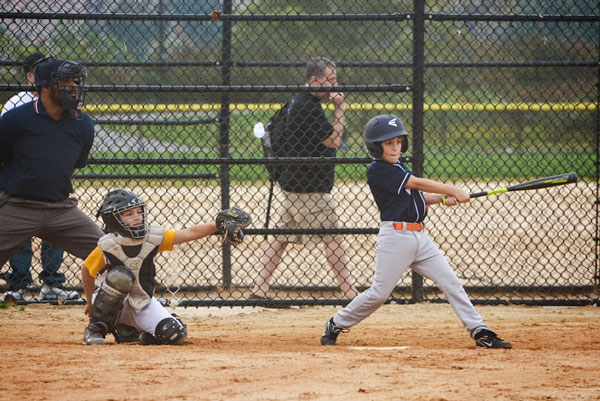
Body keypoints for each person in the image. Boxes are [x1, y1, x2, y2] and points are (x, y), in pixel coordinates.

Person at [320, 114, 512, 349]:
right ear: (376, 146)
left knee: (450, 281)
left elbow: (418, 196)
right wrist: (454, 189)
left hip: (420, 238)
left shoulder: (398, 166)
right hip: (396, 239)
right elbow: (417, 184)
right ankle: (336, 323)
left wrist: (443, 198)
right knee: (379, 294)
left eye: (398, 142)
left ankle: (480, 331)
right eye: (389, 143)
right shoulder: (378, 169)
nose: (395, 147)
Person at [82, 189, 251, 345]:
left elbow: (189, 232)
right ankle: (96, 328)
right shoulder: (108, 244)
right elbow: (87, 271)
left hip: (141, 300)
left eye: (139, 212)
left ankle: (131, 330)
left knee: (174, 333)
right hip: (108, 300)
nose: (137, 217)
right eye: (129, 214)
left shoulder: (152, 237)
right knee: (121, 277)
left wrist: (217, 224)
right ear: (113, 219)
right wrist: (90, 303)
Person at [251, 57, 358, 302]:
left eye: (335, 79)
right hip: (308, 187)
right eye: (330, 80)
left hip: (294, 182)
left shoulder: (300, 100)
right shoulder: (307, 106)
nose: (335, 84)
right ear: (313, 80)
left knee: (281, 238)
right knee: (333, 237)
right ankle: (351, 293)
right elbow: (333, 140)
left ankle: (260, 288)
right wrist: (340, 109)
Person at [0, 58, 105, 302]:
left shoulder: (82, 124)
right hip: (17, 206)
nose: (72, 86)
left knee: (116, 254)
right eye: (64, 81)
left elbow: (70, 169)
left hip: (60, 209)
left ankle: (134, 316)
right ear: (45, 86)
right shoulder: (16, 119)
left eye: (74, 81)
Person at [1, 52, 72, 302]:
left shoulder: (63, 100)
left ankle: (52, 283)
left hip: (51, 178)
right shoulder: (15, 103)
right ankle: (18, 283)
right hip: (20, 179)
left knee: (56, 231)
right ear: (31, 76)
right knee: (19, 233)